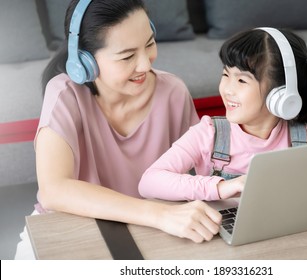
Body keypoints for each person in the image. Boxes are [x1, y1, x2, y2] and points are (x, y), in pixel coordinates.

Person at [15, 0, 222, 259]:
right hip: (75, 226)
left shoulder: (173, 91)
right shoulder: (65, 95)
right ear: (84, 61)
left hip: (152, 229)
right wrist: (159, 214)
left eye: (149, 43)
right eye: (127, 56)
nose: (145, 64)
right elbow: (54, 190)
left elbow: (203, 170)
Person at [138, 27, 307, 201]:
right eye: (226, 74)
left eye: (242, 80)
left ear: (281, 95)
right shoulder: (208, 134)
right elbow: (149, 182)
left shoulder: (306, 137)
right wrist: (223, 187)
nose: (227, 89)